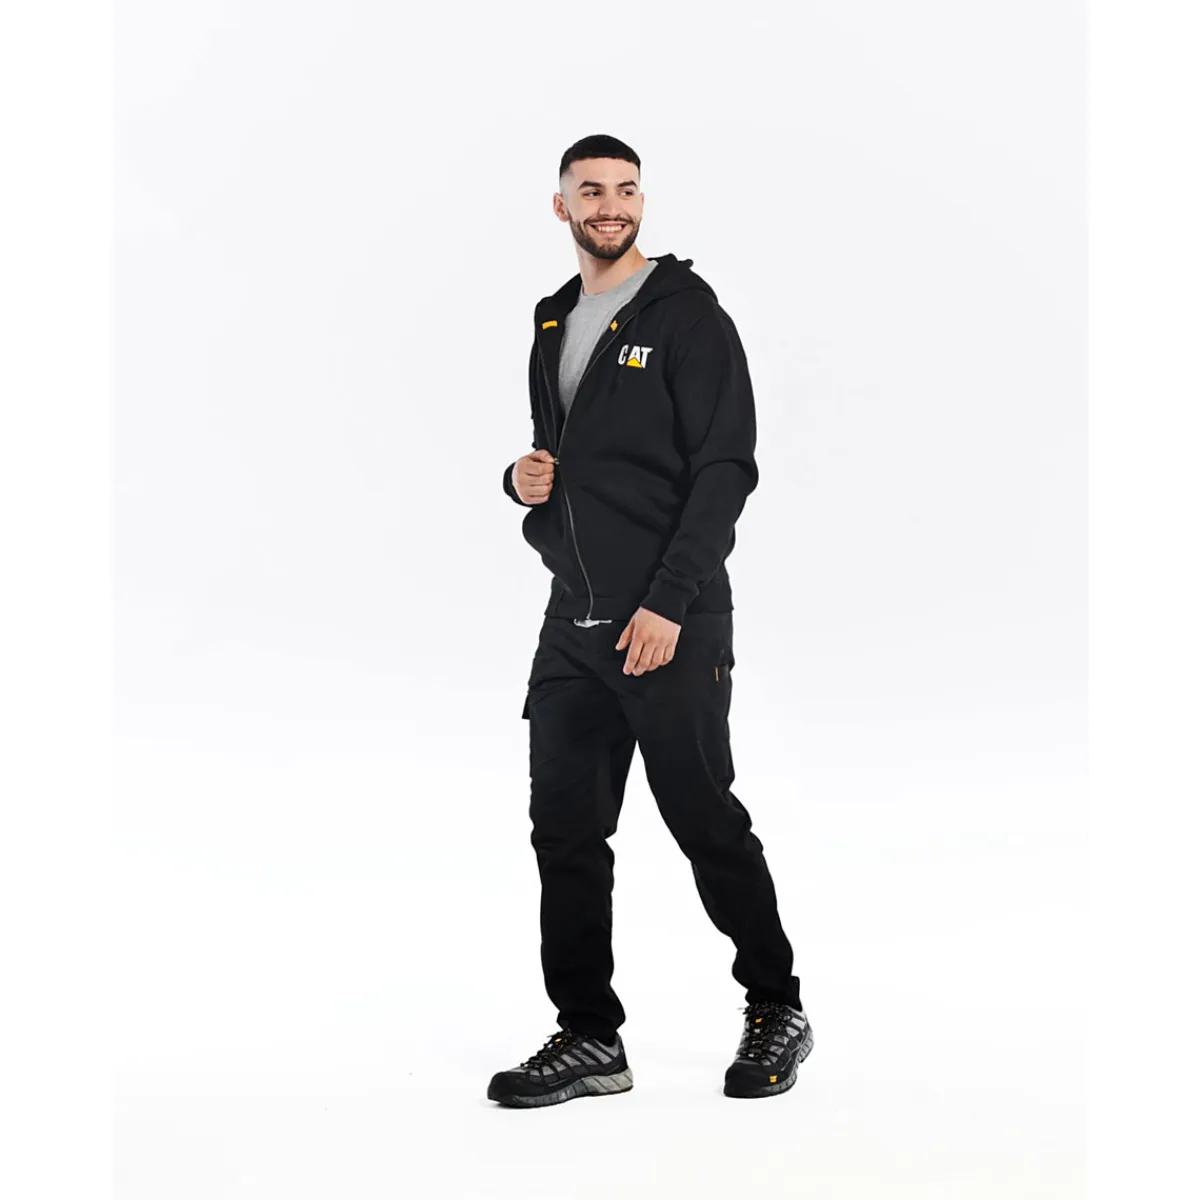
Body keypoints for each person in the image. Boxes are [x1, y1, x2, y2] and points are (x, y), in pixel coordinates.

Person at [488, 134, 811, 1108]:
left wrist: (668, 601)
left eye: (626, 190)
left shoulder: (688, 316)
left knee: (703, 818)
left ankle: (776, 1005)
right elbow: (565, 461)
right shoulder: (553, 318)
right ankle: (589, 1036)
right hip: (573, 623)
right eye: (591, 191)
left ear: (642, 202)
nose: (611, 205)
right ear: (562, 206)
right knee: (564, 834)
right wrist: (519, 481)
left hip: (670, 620)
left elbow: (725, 469)